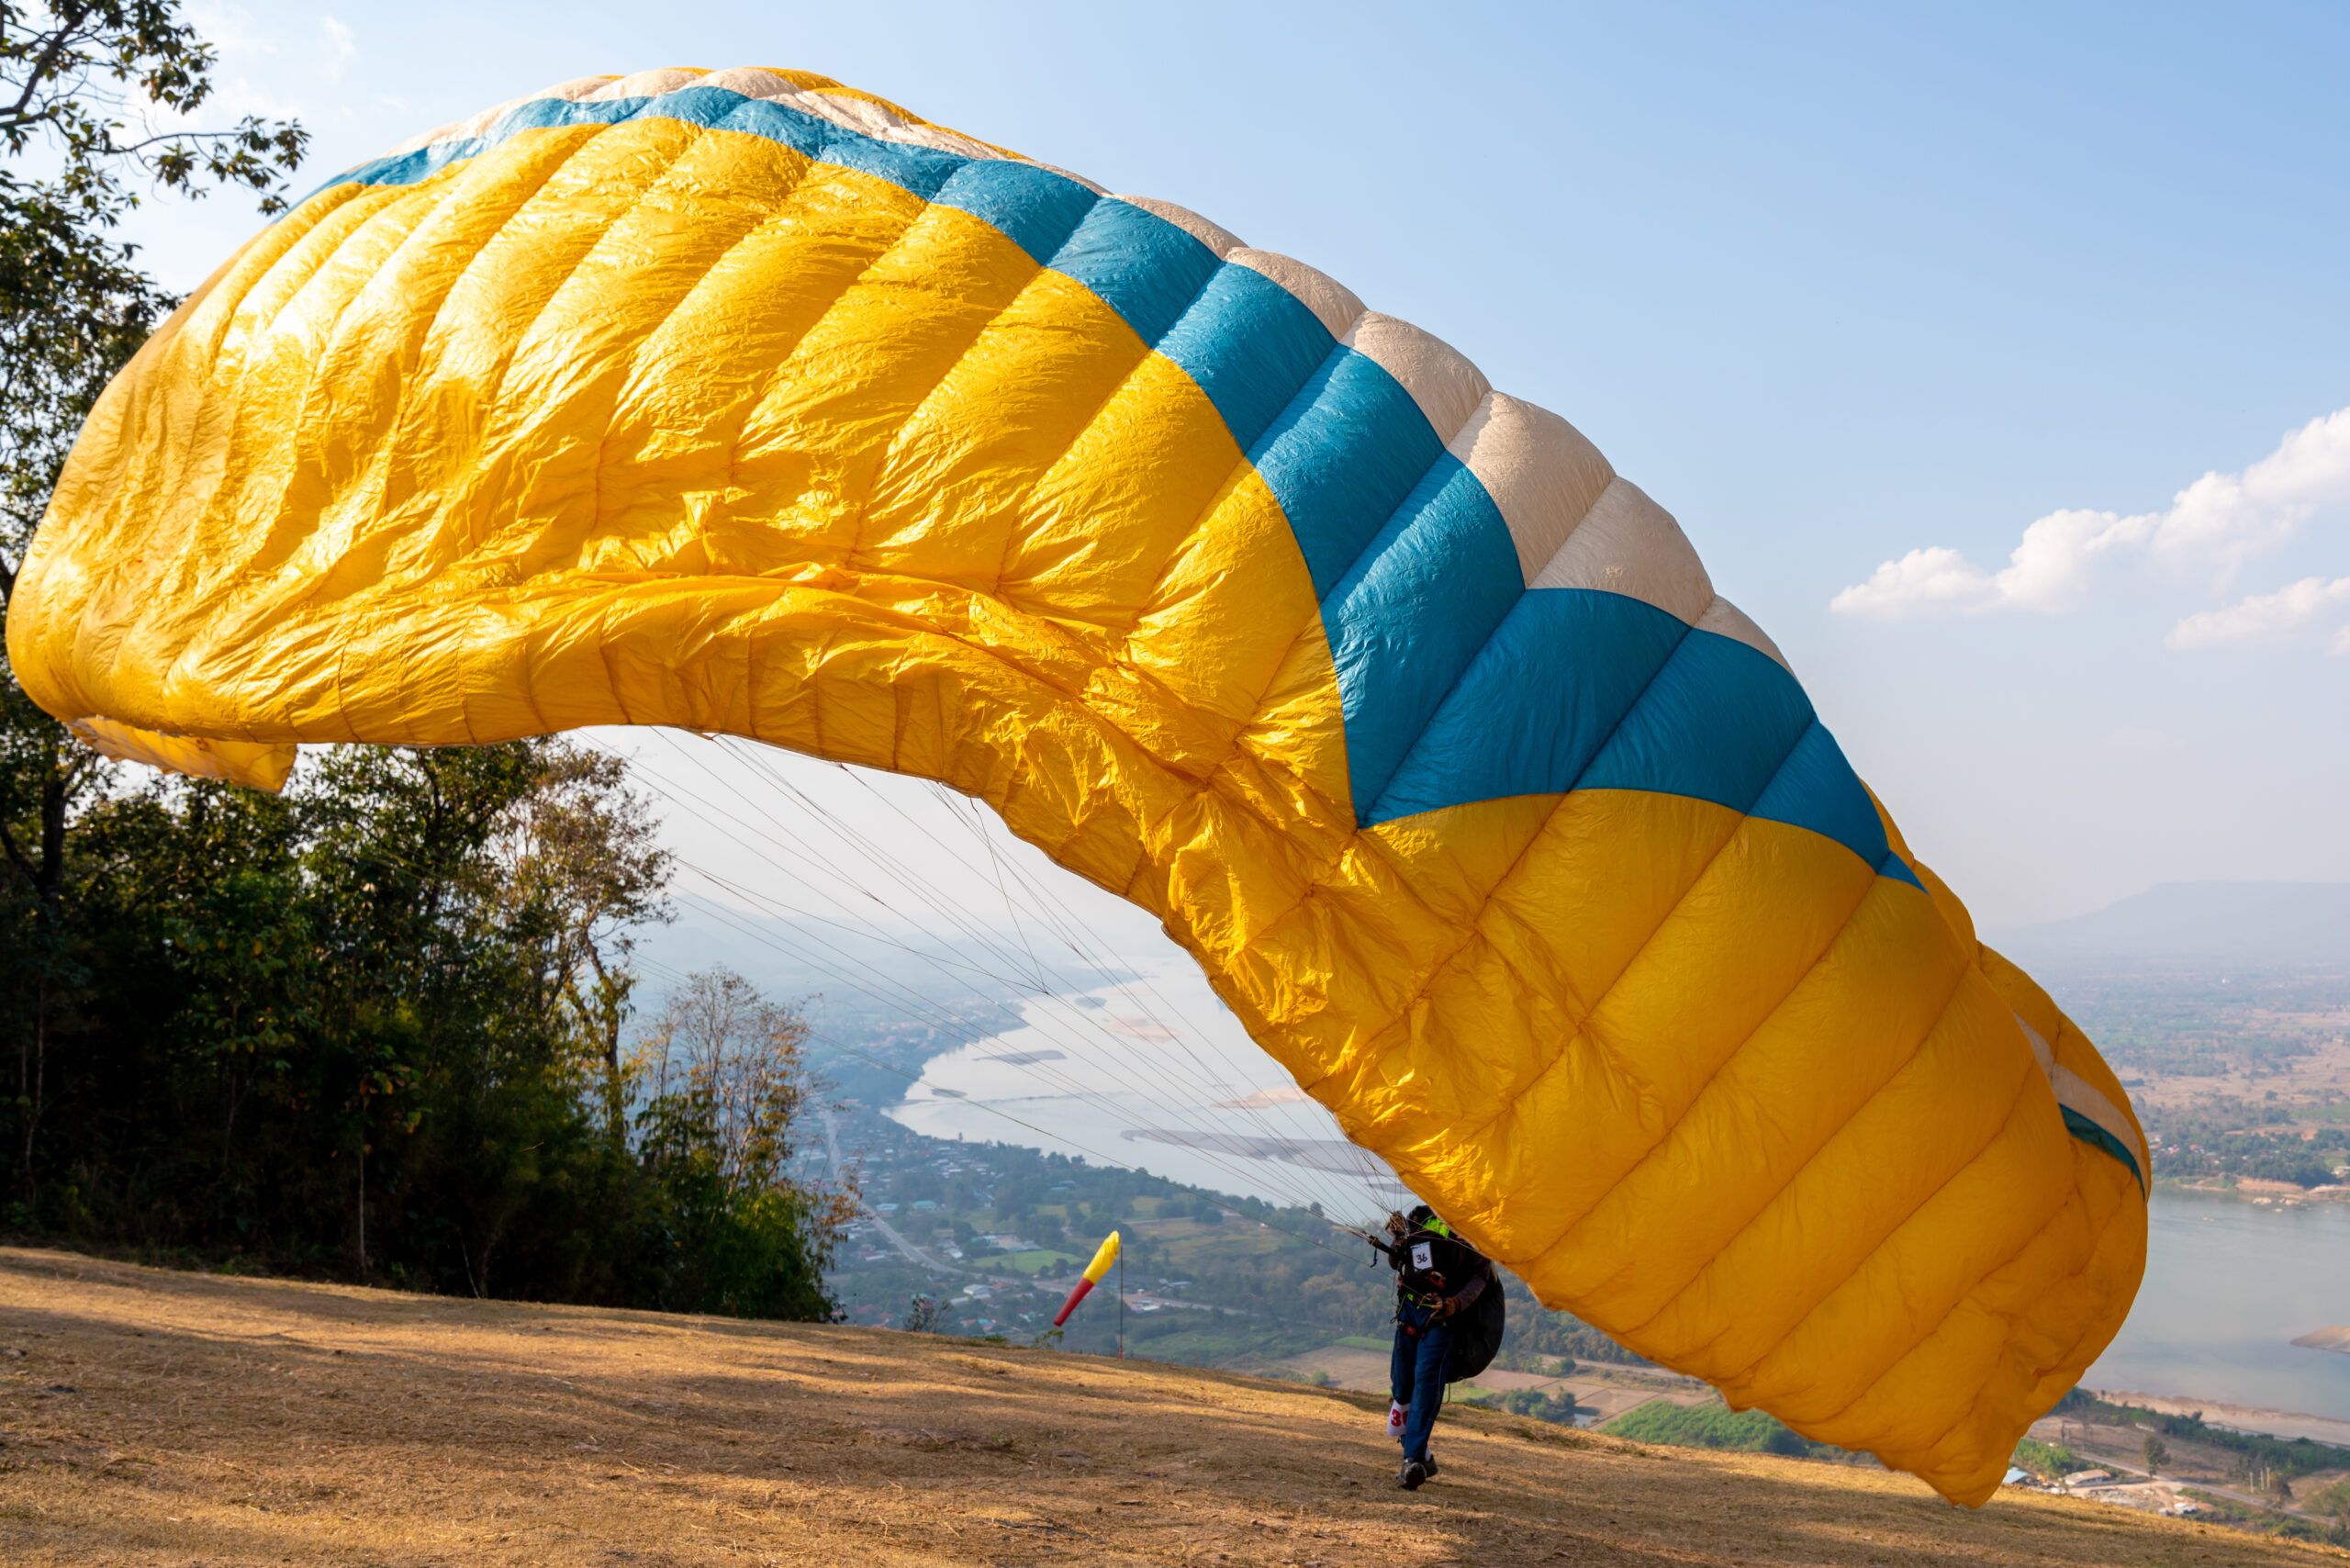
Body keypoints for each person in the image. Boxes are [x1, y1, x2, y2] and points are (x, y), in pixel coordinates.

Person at [1380, 1204, 1497, 1490]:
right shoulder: (1419, 1217)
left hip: (1440, 1320)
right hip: (1408, 1314)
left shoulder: (1473, 1227)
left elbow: (1481, 1275)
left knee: (1427, 1385)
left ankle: (1413, 1460)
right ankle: (1423, 1455)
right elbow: (1398, 1262)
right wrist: (1398, 1237)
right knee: (1402, 1386)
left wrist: (1455, 1304)